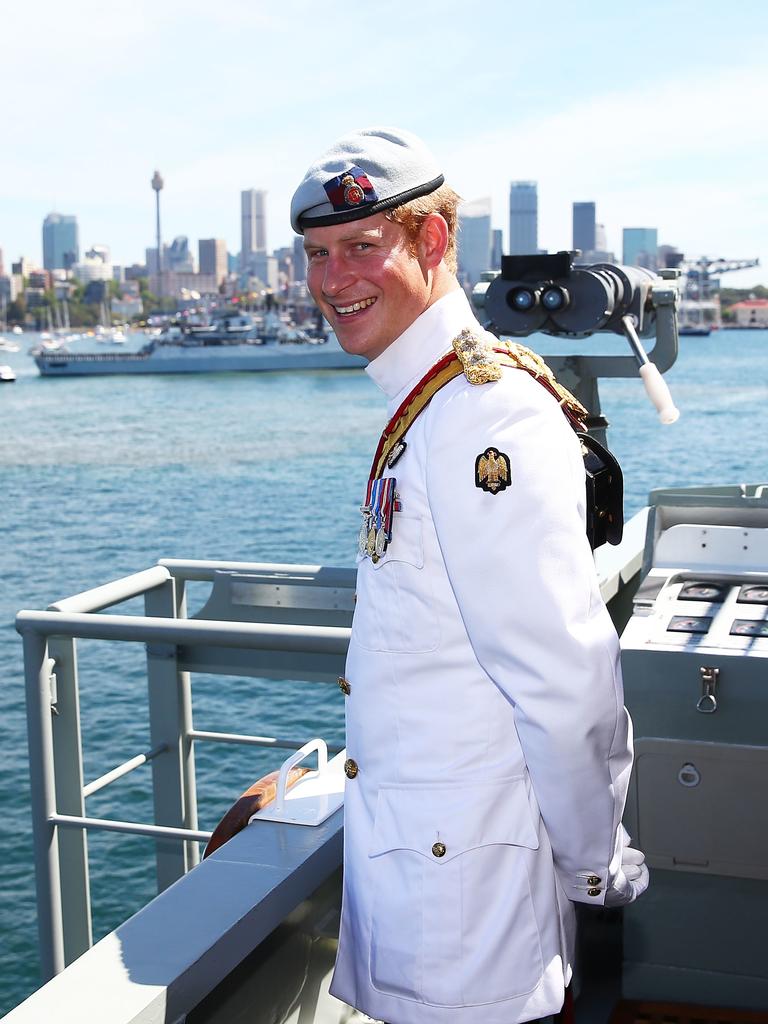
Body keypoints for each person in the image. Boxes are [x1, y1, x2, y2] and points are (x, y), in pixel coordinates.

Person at [290, 127, 648, 1024]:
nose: (333, 280)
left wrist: (595, 864)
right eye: (318, 255)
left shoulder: (486, 419)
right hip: (430, 870)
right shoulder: (429, 401)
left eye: (363, 246)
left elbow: (565, 682)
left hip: (467, 907)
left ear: (434, 243)